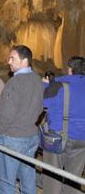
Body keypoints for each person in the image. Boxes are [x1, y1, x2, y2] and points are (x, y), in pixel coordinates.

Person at [0, 45, 43, 194]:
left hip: (12, 138)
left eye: (12, 58)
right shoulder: (37, 79)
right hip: (31, 137)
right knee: (28, 181)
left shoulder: (14, 83)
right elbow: (40, 108)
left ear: (24, 61)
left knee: (5, 183)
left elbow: (6, 114)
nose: (9, 61)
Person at [42, 56, 85, 194]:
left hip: (58, 138)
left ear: (70, 69)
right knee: (74, 178)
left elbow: (43, 103)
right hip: (82, 140)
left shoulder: (58, 84)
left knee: (52, 178)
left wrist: (44, 84)